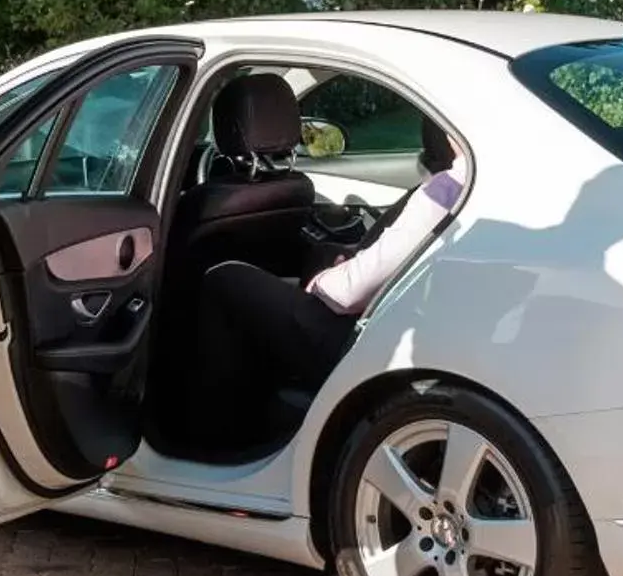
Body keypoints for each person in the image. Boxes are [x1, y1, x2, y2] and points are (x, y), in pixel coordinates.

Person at [198, 119, 468, 413]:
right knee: (324, 252)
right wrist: (345, 262)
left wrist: (324, 281)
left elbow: (351, 293)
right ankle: (295, 381)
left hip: (370, 343)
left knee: (225, 280)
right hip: (420, 325)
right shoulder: (480, 185)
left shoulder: (447, 190)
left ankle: (215, 422)